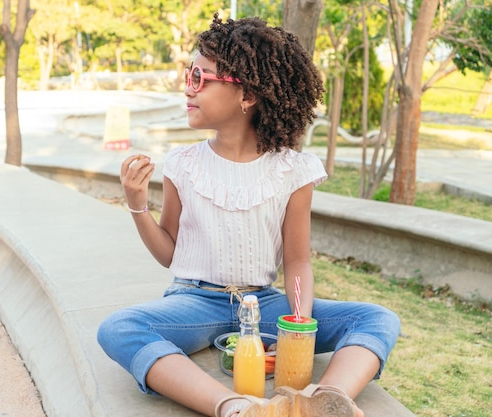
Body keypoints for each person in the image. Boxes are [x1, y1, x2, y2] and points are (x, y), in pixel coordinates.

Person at [97, 13, 400, 417]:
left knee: (377, 318)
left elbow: (296, 261)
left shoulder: (293, 170)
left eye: (201, 79)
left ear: (247, 95)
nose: (188, 89)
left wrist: (297, 328)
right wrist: (137, 204)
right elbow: (171, 253)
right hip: (194, 302)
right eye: (189, 75)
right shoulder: (182, 164)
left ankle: (327, 400)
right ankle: (233, 407)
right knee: (118, 329)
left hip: (265, 305)